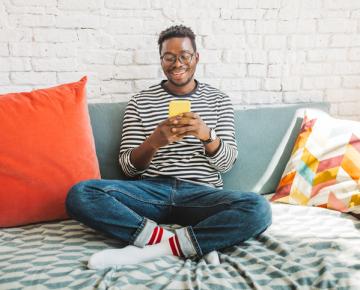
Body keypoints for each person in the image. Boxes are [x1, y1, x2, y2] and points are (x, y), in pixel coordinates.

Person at [66, 25, 272, 270]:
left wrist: (207, 135)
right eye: (169, 57)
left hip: (202, 194)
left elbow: (226, 164)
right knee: (81, 194)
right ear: (161, 60)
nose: (177, 64)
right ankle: (181, 243)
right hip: (152, 193)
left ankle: (151, 251)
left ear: (196, 58)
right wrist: (153, 142)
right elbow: (128, 169)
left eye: (185, 56)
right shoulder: (140, 102)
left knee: (259, 207)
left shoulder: (219, 100)